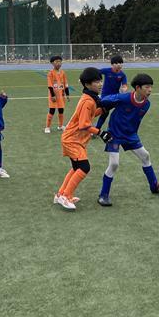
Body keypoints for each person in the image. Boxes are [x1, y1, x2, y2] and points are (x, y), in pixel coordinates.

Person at [97, 73, 159, 207]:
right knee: (114, 164)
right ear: (137, 88)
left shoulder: (146, 104)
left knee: (145, 156)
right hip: (114, 135)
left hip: (130, 136)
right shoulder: (123, 98)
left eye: (151, 87)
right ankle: (103, 195)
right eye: (147, 87)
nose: (150, 90)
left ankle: (155, 186)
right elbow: (103, 101)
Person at [54, 67, 111, 211]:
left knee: (76, 167)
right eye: (96, 82)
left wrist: (104, 109)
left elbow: (90, 115)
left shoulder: (90, 98)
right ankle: (66, 196)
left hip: (73, 139)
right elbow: (84, 125)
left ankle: (60, 194)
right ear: (87, 84)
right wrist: (101, 133)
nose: (100, 84)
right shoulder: (88, 101)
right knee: (84, 167)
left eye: (101, 81)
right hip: (72, 140)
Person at [95, 54, 129, 129]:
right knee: (104, 112)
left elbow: (124, 85)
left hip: (115, 96)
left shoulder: (122, 75)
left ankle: (119, 128)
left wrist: (124, 88)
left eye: (120, 63)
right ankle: (96, 127)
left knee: (121, 109)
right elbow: (95, 72)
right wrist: (84, 77)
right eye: (116, 63)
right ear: (112, 64)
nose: (119, 65)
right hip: (105, 96)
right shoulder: (107, 71)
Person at [45, 55, 69, 133]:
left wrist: (67, 95)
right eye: (56, 62)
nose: (58, 63)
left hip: (61, 96)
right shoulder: (50, 73)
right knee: (52, 111)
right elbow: (50, 86)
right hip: (54, 96)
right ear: (52, 63)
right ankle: (47, 127)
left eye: (60, 62)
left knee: (61, 110)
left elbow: (65, 84)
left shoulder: (63, 73)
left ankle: (60, 126)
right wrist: (53, 95)